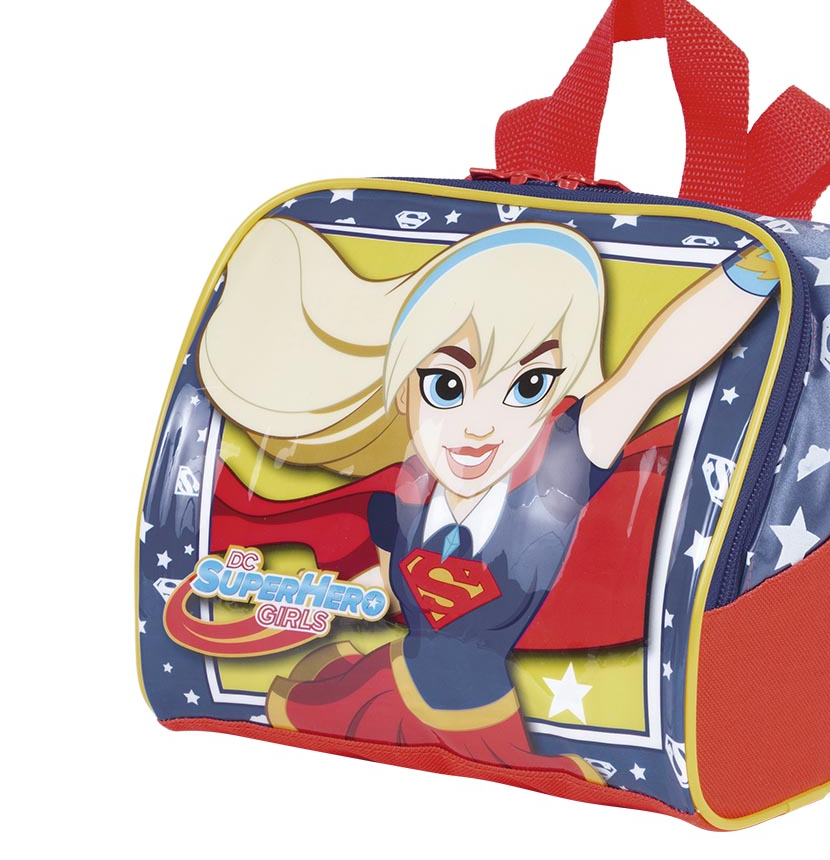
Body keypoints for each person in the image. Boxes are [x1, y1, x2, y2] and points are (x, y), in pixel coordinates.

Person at [199, 216, 777, 780]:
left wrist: (754, 271)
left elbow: (647, 374)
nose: (479, 426)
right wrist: (307, 602)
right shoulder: (407, 492)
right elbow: (384, 591)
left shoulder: (559, 475)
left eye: (528, 387)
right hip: (390, 685)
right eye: (446, 386)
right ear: (403, 391)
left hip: (476, 718)